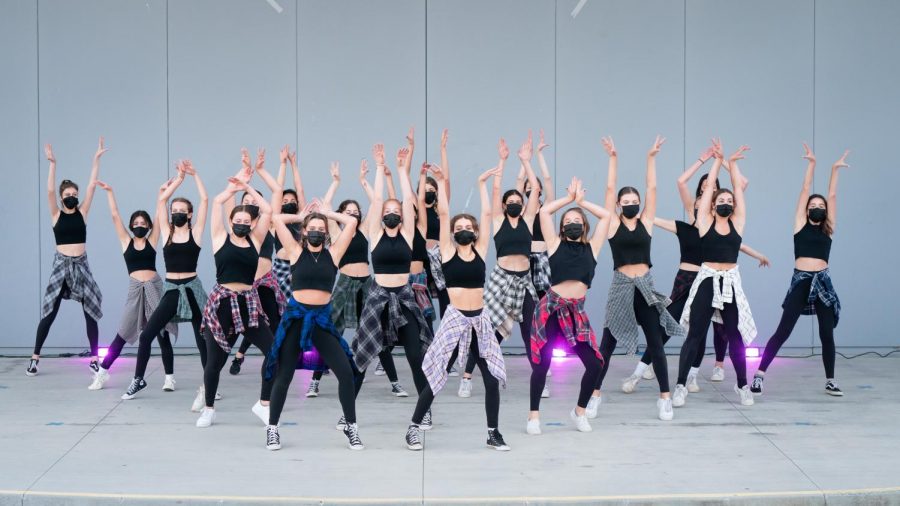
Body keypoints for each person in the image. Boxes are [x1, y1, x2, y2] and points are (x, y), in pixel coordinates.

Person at [623, 146, 770, 393]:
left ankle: (693, 376)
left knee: (705, 332)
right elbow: (668, 201)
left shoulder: (721, 226)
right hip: (687, 278)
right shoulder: (686, 226)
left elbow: (737, 241)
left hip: (713, 278)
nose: (704, 202)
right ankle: (643, 369)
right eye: (700, 200)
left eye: (711, 198)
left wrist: (724, 162)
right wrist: (706, 160)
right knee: (669, 324)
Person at [406, 164, 509, 451]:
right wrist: (440, 181)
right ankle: (414, 427)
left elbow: (488, 215)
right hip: (455, 319)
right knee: (436, 377)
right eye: (459, 228)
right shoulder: (448, 251)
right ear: (452, 233)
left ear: (475, 232)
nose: (463, 230)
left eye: (468, 228)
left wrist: (481, 185)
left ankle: (493, 433)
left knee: (490, 379)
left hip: (480, 320)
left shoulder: (481, 249)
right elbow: (443, 214)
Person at [589, 136, 684, 422]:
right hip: (620, 287)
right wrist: (613, 158)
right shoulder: (613, 224)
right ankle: (593, 395)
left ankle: (664, 398)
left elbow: (653, 188)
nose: (631, 204)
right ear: (618, 205)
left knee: (655, 341)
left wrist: (651, 157)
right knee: (606, 344)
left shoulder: (646, 222)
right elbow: (607, 188)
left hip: (645, 286)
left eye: (635, 201)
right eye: (626, 201)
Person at [265, 201, 363, 450]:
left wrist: (326, 213)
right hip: (296, 318)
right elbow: (276, 219)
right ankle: (272, 428)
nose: (317, 231)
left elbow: (351, 222)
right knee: (284, 375)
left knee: (346, 373)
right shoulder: (295, 252)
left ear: (327, 232)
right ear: (305, 231)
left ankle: (351, 426)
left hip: (321, 320)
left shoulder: (335, 253)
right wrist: (300, 215)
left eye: (321, 228)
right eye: (312, 228)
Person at [752, 146, 848, 396]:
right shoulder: (799, 225)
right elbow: (805, 190)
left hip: (823, 281)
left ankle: (830, 380)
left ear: (825, 210)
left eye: (820, 205)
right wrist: (812, 164)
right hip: (802, 280)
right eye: (812, 205)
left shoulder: (829, 228)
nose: (817, 207)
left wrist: (835, 169)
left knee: (827, 333)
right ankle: (760, 375)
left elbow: (834, 194)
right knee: (783, 330)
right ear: (806, 210)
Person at [349, 143, 432, 429]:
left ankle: (425, 410)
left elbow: (408, 199)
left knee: (415, 356)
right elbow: (376, 202)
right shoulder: (374, 231)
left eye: (397, 210)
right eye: (389, 210)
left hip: (405, 297)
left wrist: (399, 169)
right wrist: (378, 168)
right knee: (363, 354)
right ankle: (348, 414)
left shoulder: (408, 233)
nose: (393, 212)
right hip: (378, 297)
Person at [674, 140, 758, 407]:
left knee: (734, 335)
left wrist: (731, 164)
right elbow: (709, 188)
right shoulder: (704, 222)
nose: (725, 202)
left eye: (728, 200)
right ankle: (680, 385)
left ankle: (742, 384)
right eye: (720, 200)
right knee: (695, 334)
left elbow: (738, 191)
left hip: (731, 282)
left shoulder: (738, 223)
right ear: (711, 206)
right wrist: (717, 161)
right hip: (708, 279)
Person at [121, 160, 209, 406]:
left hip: (193, 289)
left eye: (182, 210)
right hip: (171, 288)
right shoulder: (166, 233)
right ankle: (139, 378)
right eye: (175, 210)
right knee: (148, 334)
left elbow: (205, 200)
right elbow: (160, 202)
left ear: (189, 214)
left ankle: (209, 384)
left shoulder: (196, 232)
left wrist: (195, 175)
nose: (177, 213)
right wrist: (179, 180)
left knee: (203, 340)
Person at [527, 176, 609, 434]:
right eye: (568, 222)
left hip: (576, 313)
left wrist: (582, 203)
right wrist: (569, 200)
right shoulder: (554, 245)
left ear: (584, 226)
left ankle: (579, 412)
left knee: (596, 365)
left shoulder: (592, 248)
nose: (573, 224)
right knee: (543, 364)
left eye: (577, 222)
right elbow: (544, 211)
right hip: (551, 310)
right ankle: (533, 416)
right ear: (561, 228)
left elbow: (606, 217)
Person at [195, 170, 275, 428]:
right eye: (237, 219)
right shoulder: (220, 237)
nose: (241, 222)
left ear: (252, 223)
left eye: (246, 219)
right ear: (230, 222)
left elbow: (269, 210)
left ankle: (263, 404)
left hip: (249, 302)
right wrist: (233, 188)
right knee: (214, 361)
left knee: (274, 352)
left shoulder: (255, 237)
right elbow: (217, 202)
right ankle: (208, 408)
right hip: (223, 304)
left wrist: (248, 188)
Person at [88, 180, 177, 391]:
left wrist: (160, 192)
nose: (139, 226)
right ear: (131, 226)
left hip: (154, 288)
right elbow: (115, 215)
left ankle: (169, 378)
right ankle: (102, 373)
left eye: (143, 223)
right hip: (136, 289)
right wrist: (110, 192)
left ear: (148, 227)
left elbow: (159, 214)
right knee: (123, 332)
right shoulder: (125, 241)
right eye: (136, 223)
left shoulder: (152, 240)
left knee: (162, 332)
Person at [28, 139, 105, 376]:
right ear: (62, 198)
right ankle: (34, 358)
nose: (71, 196)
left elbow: (92, 186)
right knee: (49, 312)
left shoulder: (82, 212)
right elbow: (50, 190)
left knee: (90, 311)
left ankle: (94, 359)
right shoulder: (55, 214)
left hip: (81, 266)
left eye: (74, 194)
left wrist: (96, 160)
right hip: (61, 266)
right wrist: (53, 164)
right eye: (67, 194)